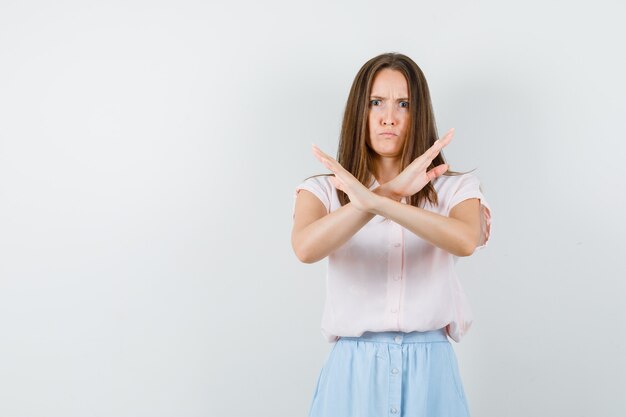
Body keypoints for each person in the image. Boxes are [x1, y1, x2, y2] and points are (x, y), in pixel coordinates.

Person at [291, 52, 492, 417]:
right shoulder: (323, 190)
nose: (389, 117)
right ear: (360, 111)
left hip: (431, 373)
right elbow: (305, 248)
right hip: (353, 371)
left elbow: (465, 239)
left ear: (420, 114)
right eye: (376, 102)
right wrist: (383, 195)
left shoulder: (455, 187)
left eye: (404, 104)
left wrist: (383, 201)